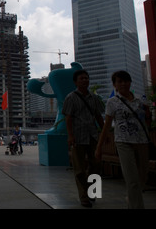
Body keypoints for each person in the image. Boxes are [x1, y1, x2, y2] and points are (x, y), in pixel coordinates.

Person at [95, 70, 151, 209]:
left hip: (142, 141)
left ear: (130, 82)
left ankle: (131, 198)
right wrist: (99, 147)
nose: (123, 84)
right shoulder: (112, 102)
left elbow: (147, 121)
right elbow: (107, 125)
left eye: (126, 81)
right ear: (114, 85)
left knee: (143, 177)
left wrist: (148, 114)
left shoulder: (141, 100)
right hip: (123, 141)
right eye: (119, 81)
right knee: (132, 180)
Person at [62, 69, 104, 208]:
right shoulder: (70, 97)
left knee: (96, 164)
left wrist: (104, 133)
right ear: (76, 81)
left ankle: (93, 192)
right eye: (82, 78)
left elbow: (98, 116)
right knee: (79, 168)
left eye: (86, 78)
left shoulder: (94, 98)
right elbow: (67, 118)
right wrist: (70, 135)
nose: (85, 80)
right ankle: (84, 196)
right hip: (78, 136)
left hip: (93, 135)